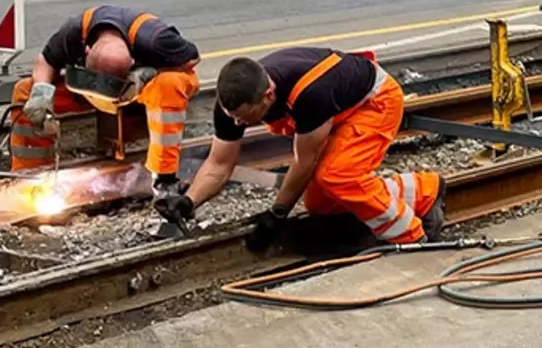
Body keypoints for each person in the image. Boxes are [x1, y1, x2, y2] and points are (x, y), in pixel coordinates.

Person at [156, 47, 444, 249]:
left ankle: (410, 237)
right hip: (337, 111)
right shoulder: (233, 105)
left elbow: (304, 161)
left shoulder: (308, 93)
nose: (237, 122)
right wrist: (189, 201)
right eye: (233, 116)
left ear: (268, 95)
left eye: (244, 117)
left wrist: (277, 212)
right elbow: (219, 164)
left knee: (338, 176)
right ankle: (423, 190)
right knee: (319, 203)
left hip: (374, 102)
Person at [10, 6, 200, 197]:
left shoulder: (156, 39)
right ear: (87, 50)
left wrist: (150, 74)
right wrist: (41, 93)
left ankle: (164, 177)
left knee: (168, 84)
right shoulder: (75, 32)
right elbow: (46, 61)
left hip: (139, 93)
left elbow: (193, 58)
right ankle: (28, 179)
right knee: (25, 90)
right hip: (90, 90)